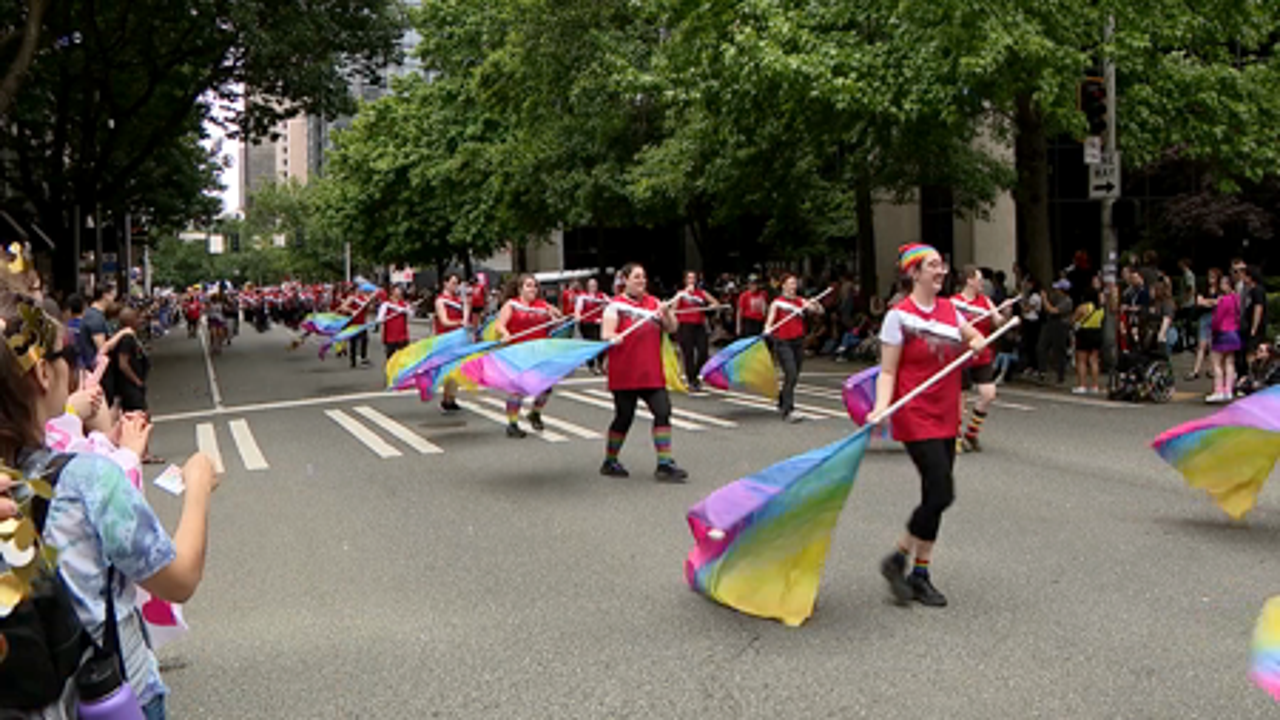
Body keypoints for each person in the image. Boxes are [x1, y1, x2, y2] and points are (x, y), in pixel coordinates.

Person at [0, 288, 220, 718]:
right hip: (108, 696)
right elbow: (178, 580)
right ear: (44, 373)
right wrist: (198, 488)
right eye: (68, 352)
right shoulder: (88, 480)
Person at [871, 244, 987, 608]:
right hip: (914, 412)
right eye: (933, 266)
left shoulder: (951, 310)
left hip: (946, 412)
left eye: (942, 265)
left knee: (931, 498)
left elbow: (973, 337)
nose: (941, 271)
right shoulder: (898, 317)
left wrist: (977, 341)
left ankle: (919, 573)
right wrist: (880, 407)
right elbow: (888, 370)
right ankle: (897, 558)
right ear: (914, 273)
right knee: (941, 492)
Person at [600, 263, 687, 482]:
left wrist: (666, 313)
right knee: (624, 417)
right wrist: (613, 337)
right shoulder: (615, 306)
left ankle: (665, 464)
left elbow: (672, 328)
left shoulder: (654, 304)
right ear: (625, 280)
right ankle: (610, 460)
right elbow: (606, 332)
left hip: (651, 371)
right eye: (636, 277)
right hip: (625, 372)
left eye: (643, 277)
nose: (641, 281)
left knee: (663, 411)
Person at [496, 274, 562, 438]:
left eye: (535, 286)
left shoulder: (542, 305)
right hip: (518, 353)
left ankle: (535, 413)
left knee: (546, 388)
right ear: (520, 289)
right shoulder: (511, 305)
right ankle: (512, 424)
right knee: (517, 390)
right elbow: (499, 325)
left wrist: (556, 317)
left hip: (540, 352)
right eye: (529, 285)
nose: (533, 289)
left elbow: (558, 317)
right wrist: (505, 334)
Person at [952, 265, 1009, 452]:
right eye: (979, 279)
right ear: (969, 280)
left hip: (983, 353)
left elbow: (999, 322)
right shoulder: (954, 303)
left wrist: (1006, 313)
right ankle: (956, 436)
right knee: (960, 398)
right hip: (961, 354)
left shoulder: (985, 301)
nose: (982, 283)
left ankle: (972, 433)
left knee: (988, 393)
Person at [764, 274, 824, 422]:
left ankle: (782, 398)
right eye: (790, 284)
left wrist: (815, 304)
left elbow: (820, 311)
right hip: (782, 342)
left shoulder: (801, 301)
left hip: (798, 342)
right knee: (790, 373)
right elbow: (769, 322)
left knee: (795, 375)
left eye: (795, 284)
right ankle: (788, 410)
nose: (793, 287)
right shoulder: (777, 303)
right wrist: (767, 330)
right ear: (783, 285)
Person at [673, 271, 719, 392]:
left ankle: (696, 375)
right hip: (685, 325)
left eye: (693, 278)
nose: (691, 280)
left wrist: (712, 306)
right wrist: (683, 295)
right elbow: (674, 309)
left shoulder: (702, 293)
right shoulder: (681, 294)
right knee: (688, 354)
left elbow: (715, 303)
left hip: (699, 325)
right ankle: (691, 380)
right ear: (685, 280)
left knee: (703, 351)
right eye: (689, 278)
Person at [434, 274, 469, 413]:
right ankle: (446, 399)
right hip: (445, 339)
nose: (455, 286)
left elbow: (465, 317)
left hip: (458, 338)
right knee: (449, 371)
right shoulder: (440, 300)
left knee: (457, 370)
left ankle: (451, 398)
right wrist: (460, 322)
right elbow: (444, 321)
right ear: (445, 283)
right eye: (453, 283)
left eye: (457, 283)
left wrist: (466, 306)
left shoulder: (458, 300)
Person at [1208, 272, 1242, 403]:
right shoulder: (1236, 299)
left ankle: (1218, 390)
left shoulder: (1224, 300)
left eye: (1223, 283)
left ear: (1228, 285)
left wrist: (1213, 330)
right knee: (1229, 362)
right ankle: (1228, 389)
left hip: (1222, 332)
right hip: (1234, 332)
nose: (1221, 286)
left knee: (1216, 363)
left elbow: (1217, 319)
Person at [1072, 275, 1106, 395]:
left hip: (1084, 333)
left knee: (1081, 360)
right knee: (1094, 360)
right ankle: (1095, 385)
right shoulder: (1100, 309)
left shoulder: (1083, 308)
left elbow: (1073, 320)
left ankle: (1082, 385)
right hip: (1096, 332)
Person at [1187, 267, 1222, 381]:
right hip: (1205, 317)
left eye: (1213, 277)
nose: (1210, 279)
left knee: (1213, 344)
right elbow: (1199, 302)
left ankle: (1212, 368)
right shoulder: (1204, 289)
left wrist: (1207, 302)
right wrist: (1211, 302)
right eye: (1209, 276)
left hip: (1215, 317)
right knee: (1201, 344)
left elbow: (1219, 302)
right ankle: (1196, 370)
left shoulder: (1220, 290)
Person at [1037, 280, 1073, 384]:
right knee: (1041, 346)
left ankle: (1060, 374)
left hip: (1061, 325)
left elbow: (1053, 310)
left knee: (1059, 350)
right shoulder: (1054, 298)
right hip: (1050, 323)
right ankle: (1042, 371)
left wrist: (1044, 299)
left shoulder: (1067, 301)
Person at [575, 278, 609, 374]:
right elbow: (578, 309)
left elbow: (610, 304)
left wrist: (606, 305)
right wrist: (578, 317)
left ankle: (601, 364)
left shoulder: (602, 296)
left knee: (601, 344)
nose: (593, 287)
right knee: (590, 344)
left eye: (594, 285)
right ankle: (591, 365)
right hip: (587, 324)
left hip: (599, 323)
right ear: (587, 286)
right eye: (591, 285)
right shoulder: (583, 297)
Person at [1018, 277, 1042, 375]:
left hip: (1032, 322)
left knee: (1032, 344)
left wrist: (1021, 304)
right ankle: (1030, 365)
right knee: (1028, 345)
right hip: (1028, 321)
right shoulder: (1030, 296)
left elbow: (1027, 309)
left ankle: (1035, 366)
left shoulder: (1035, 297)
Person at [381, 285, 411, 359]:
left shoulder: (405, 304)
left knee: (404, 358)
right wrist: (384, 317)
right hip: (390, 336)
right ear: (392, 292)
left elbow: (411, 314)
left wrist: (405, 310)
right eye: (396, 290)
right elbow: (379, 318)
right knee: (391, 358)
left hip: (403, 335)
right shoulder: (385, 304)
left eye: (399, 291)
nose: (398, 293)